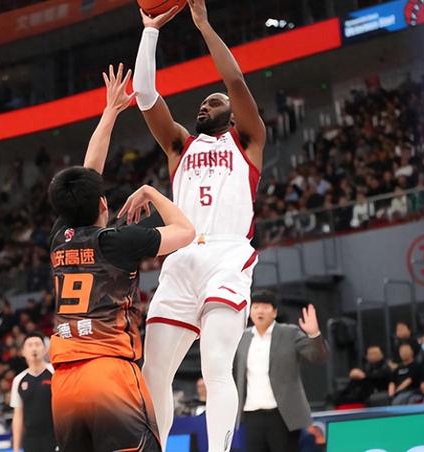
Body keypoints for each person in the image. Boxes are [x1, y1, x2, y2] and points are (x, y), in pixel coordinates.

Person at [133, 1, 267, 449]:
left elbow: (235, 81)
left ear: (233, 114)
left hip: (227, 254)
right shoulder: (179, 145)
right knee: (153, 373)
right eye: (203, 103)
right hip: (182, 258)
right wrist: (150, 32)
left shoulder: (248, 141)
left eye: (214, 102)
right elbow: (145, 96)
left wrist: (204, 25)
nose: (204, 105)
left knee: (215, 367)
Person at [47, 63, 195, 451]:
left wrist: (110, 112)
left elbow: (88, 173)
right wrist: (151, 192)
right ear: (102, 204)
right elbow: (186, 231)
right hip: (108, 373)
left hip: (64, 383)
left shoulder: (58, 239)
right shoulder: (116, 241)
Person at [233, 292, 328, 452]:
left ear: (275, 312)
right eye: (255, 307)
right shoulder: (242, 338)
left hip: (283, 415)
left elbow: (318, 356)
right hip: (251, 414)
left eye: (265, 307)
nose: (260, 311)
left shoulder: (290, 333)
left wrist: (314, 334)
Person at [10, 332, 56, 452]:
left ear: (45, 350)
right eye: (30, 345)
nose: (34, 348)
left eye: (37, 344)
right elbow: (18, 415)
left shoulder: (55, 372)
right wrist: (16, 448)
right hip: (31, 440)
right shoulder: (19, 380)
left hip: (55, 437)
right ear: (22, 352)